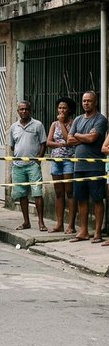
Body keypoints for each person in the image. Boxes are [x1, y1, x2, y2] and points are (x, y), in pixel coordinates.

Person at [67, 91, 107, 243]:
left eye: (89, 101)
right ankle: (83, 231)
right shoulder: (77, 119)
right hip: (79, 166)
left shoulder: (100, 119)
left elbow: (93, 138)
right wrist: (81, 136)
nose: (86, 103)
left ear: (95, 102)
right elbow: (69, 140)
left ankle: (97, 232)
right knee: (81, 198)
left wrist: (77, 135)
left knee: (97, 199)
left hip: (95, 166)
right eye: (84, 101)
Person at [9, 100, 48, 231]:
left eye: (26, 109)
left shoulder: (38, 125)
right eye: (21, 109)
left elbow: (43, 143)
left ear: (30, 110)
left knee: (37, 193)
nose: (24, 111)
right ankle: (26, 222)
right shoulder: (14, 127)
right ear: (18, 111)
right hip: (18, 165)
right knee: (22, 194)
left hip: (33, 165)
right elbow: (12, 146)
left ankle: (41, 222)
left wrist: (39, 159)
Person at [46, 97, 77, 234]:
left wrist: (62, 123)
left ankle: (71, 225)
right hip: (56, 161)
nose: (61, 110)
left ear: (69, 109)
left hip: (68, 160)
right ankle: (59, 224)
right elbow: (48, 142)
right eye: (59, 108)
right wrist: (58, 144)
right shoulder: (54, 124)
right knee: (59, 193)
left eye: (64, 108)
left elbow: (68, 139)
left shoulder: (73, 123)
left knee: (70, 192)